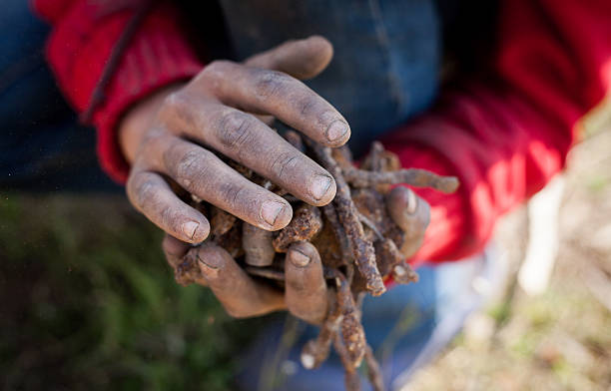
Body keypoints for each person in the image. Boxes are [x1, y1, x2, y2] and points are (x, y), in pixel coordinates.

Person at [3, 0, 610, 389]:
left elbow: (540, 93)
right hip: (167, 24)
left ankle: (402, 282)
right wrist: (143, 100)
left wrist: (393, 208)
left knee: (349, 293)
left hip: (414, 74)